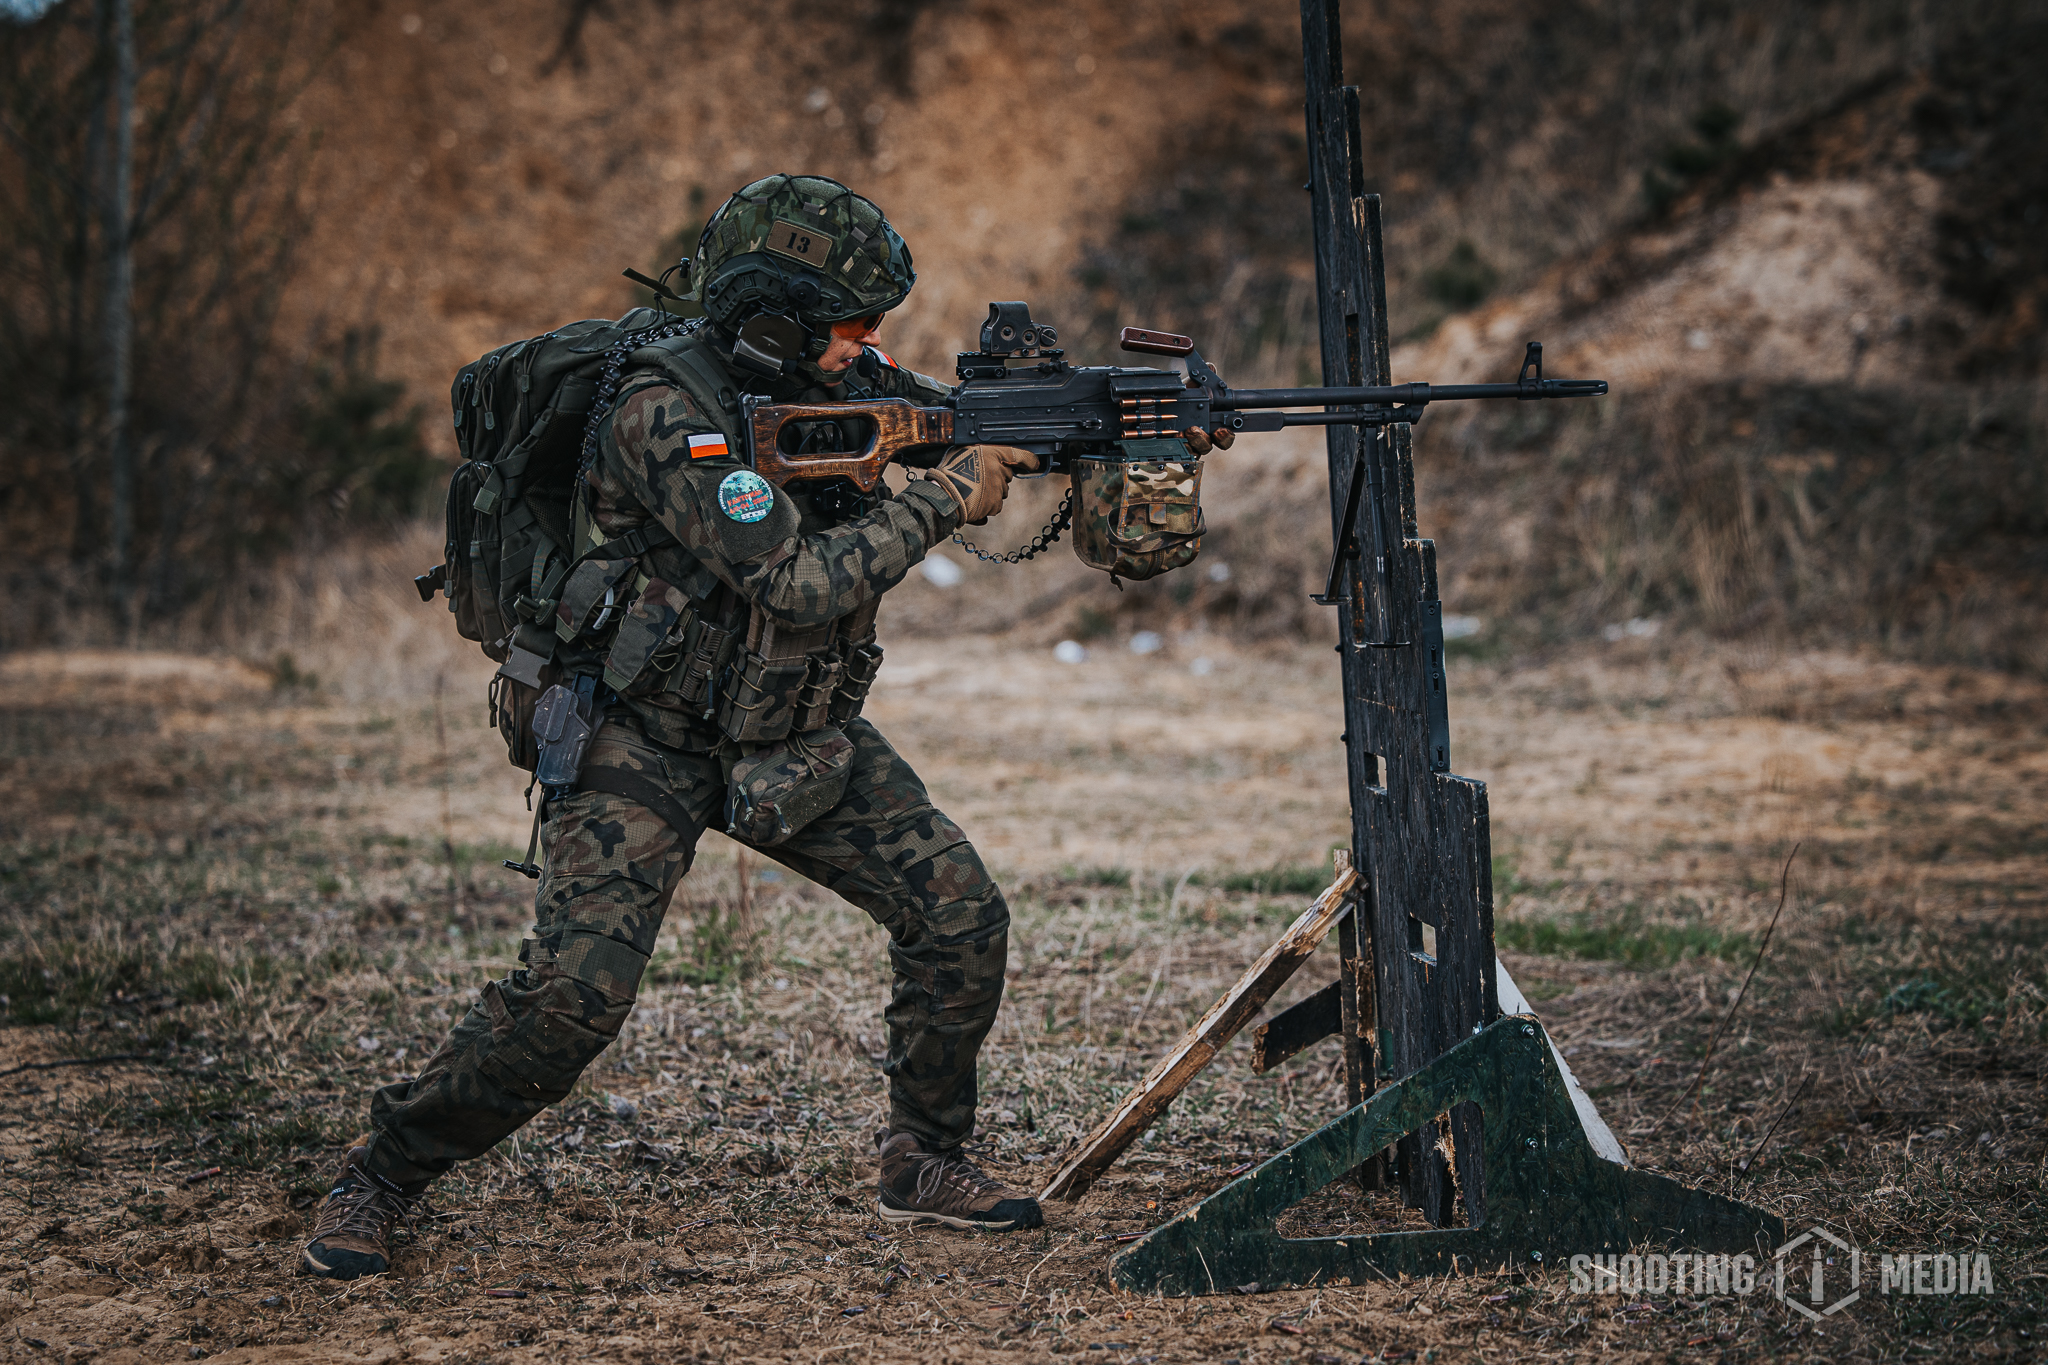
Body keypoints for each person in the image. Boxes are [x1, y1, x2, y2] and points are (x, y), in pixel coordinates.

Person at [300, 174, 1045, 1281]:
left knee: (958, 915)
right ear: (774, 322)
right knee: (571, 1000)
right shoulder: (662, 410)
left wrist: (1082, 432)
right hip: (637, 733)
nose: (867, 345)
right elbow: (793, 580)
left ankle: (923, 1159)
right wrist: (943, 498)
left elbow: (946, 423)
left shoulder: (835, 383)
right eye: (850, 325)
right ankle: (383, 1173)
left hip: (786, 727)